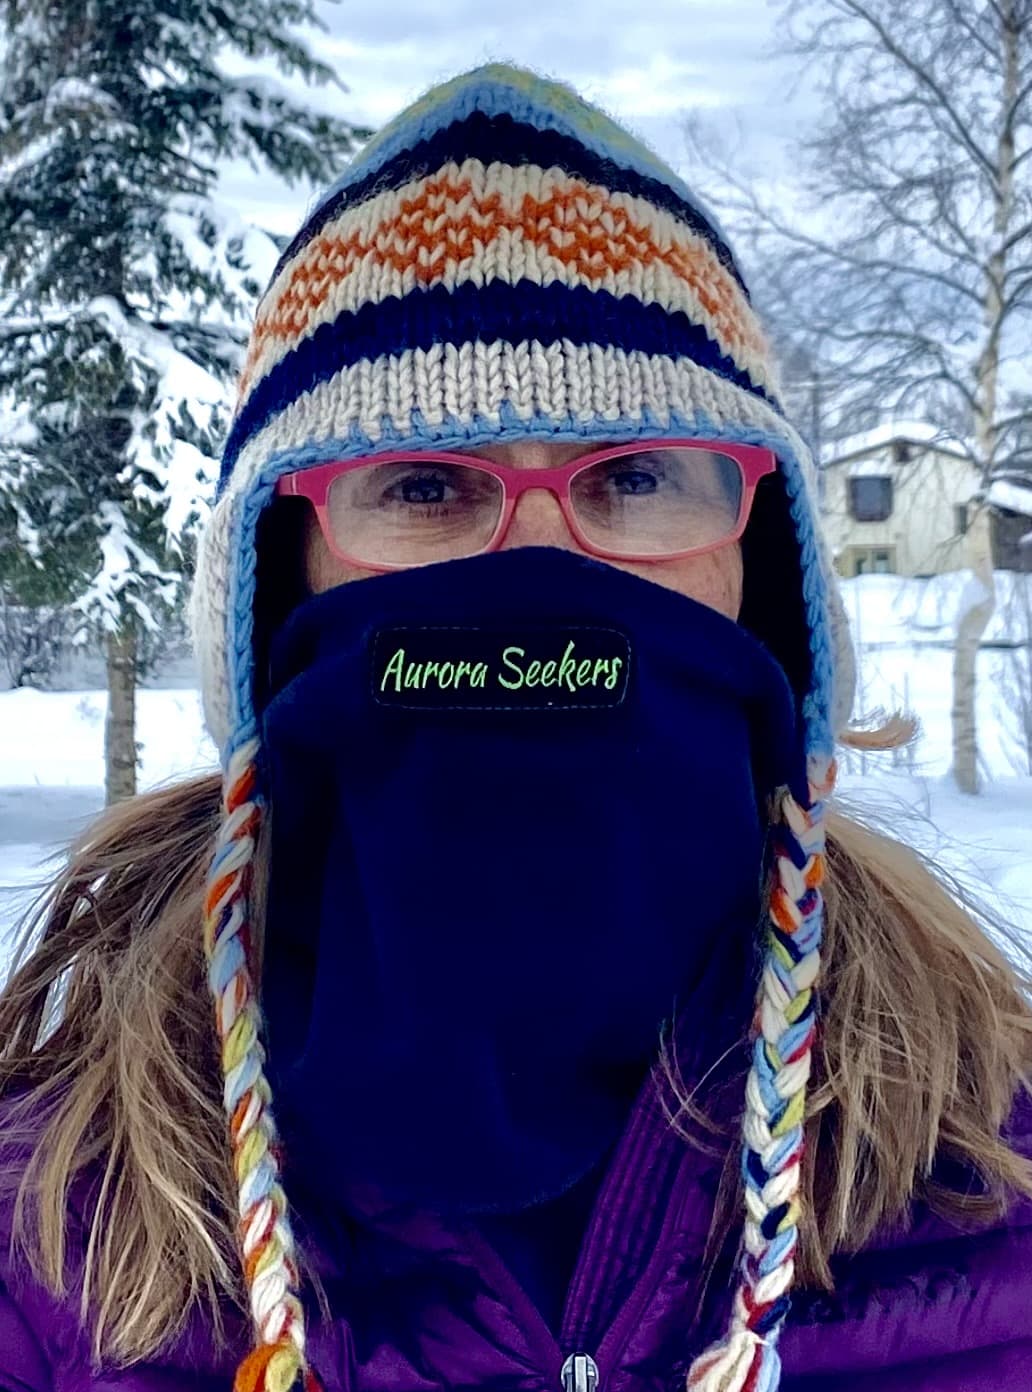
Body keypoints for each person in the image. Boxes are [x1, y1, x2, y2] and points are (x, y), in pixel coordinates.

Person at [1, 63, 1030, 1392]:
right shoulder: (51, 1226)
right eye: (427, 484)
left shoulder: (989, 1169)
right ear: (276, 586)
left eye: (638, 478)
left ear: (760, 582)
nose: (544, 560)